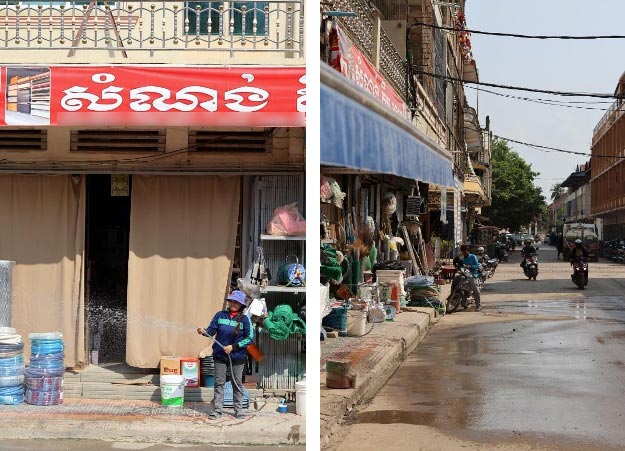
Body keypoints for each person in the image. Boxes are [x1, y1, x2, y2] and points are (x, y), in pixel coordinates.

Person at [197, 290, 254, 419]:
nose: (233, 304)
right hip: (220, 355)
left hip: (237, 356)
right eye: (231, 301)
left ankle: (238, 410)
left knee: (237, 383)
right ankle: (217, 410)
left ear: (241, 305)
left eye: (236, 302)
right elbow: (211, 330)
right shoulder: (220, 315)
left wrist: (233, 347)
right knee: (219, 383)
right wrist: (204, 331)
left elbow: (250, 338)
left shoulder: (245, 320)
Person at [459, 245, 482, 311]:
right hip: (465, 275)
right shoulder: (462, 258)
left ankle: (478, 305)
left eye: (465, 252)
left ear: (468, 251)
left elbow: (477, 266)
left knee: (475, 289)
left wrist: (470, 266)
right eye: (463, 252)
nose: (464, 253)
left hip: (473, 275)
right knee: (457, 282)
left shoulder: (473, 257)